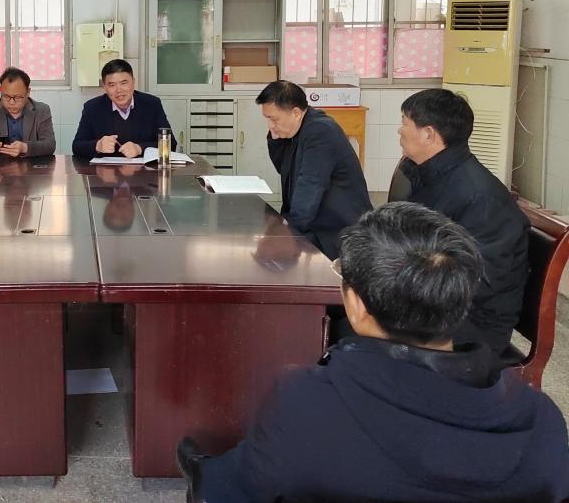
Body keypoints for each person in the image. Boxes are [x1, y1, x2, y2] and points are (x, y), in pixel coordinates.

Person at [177, 202, 569, 503]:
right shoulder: (542, 421)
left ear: (357, 306)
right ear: (459, 300)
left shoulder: (306, 403)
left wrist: (203, 475)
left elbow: (233, 492)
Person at [397, 88, 530, 358]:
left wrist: (399, 285)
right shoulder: (431, 176)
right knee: (347, 313)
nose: (399, 131)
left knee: (354, 330)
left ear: (428, 134)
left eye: (404, 122)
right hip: (433, 302)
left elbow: (478, 281)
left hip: (472, 322)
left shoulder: (481, 197)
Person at [256, 80, 371, 259]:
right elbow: (285, 170)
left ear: (296, 113)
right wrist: (276, 139)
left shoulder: (321, 131)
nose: (270, 125)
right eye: (267, 119)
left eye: (274, 119)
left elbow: (311, 184)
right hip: (316, 220)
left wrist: (290, 231)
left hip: (336, 230)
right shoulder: (298, 129)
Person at [72, 59, 175, 159]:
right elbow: (77, 146)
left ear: (133, 82)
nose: (119, 90)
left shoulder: (152, 104)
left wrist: (140, 148)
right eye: (112, 85)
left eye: (123, 83)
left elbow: (171, 144)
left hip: (143, 169)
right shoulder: (92, 108)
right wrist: (97, 145)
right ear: (105, 87)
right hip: (106, 170)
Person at [0, 66, 56, 157]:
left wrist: (25, 148)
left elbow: (50, 145)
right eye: (6, 96)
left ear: (28, 92)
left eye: (17, 97)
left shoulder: (42, 110)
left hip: (30, 164)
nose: (11, 102)